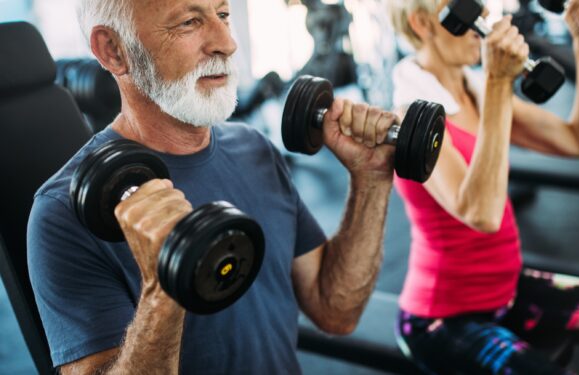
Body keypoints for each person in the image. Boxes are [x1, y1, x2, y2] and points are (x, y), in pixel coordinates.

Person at [27, 0, 400, 373]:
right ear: (113, 50)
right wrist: (163, 291)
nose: (226, 42)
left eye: (222, 15)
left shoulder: (255, 150)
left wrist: (371, 179)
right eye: (189, 22)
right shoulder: (62, 214)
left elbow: (335, 310)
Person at [387, 0, 579, 373]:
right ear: (423, 23)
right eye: (466, 9)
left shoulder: (474, 89)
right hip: (444, 317)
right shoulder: (411, 117)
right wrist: (498, 82)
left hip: (507, 289)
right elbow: (481, 213)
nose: (483, 21)